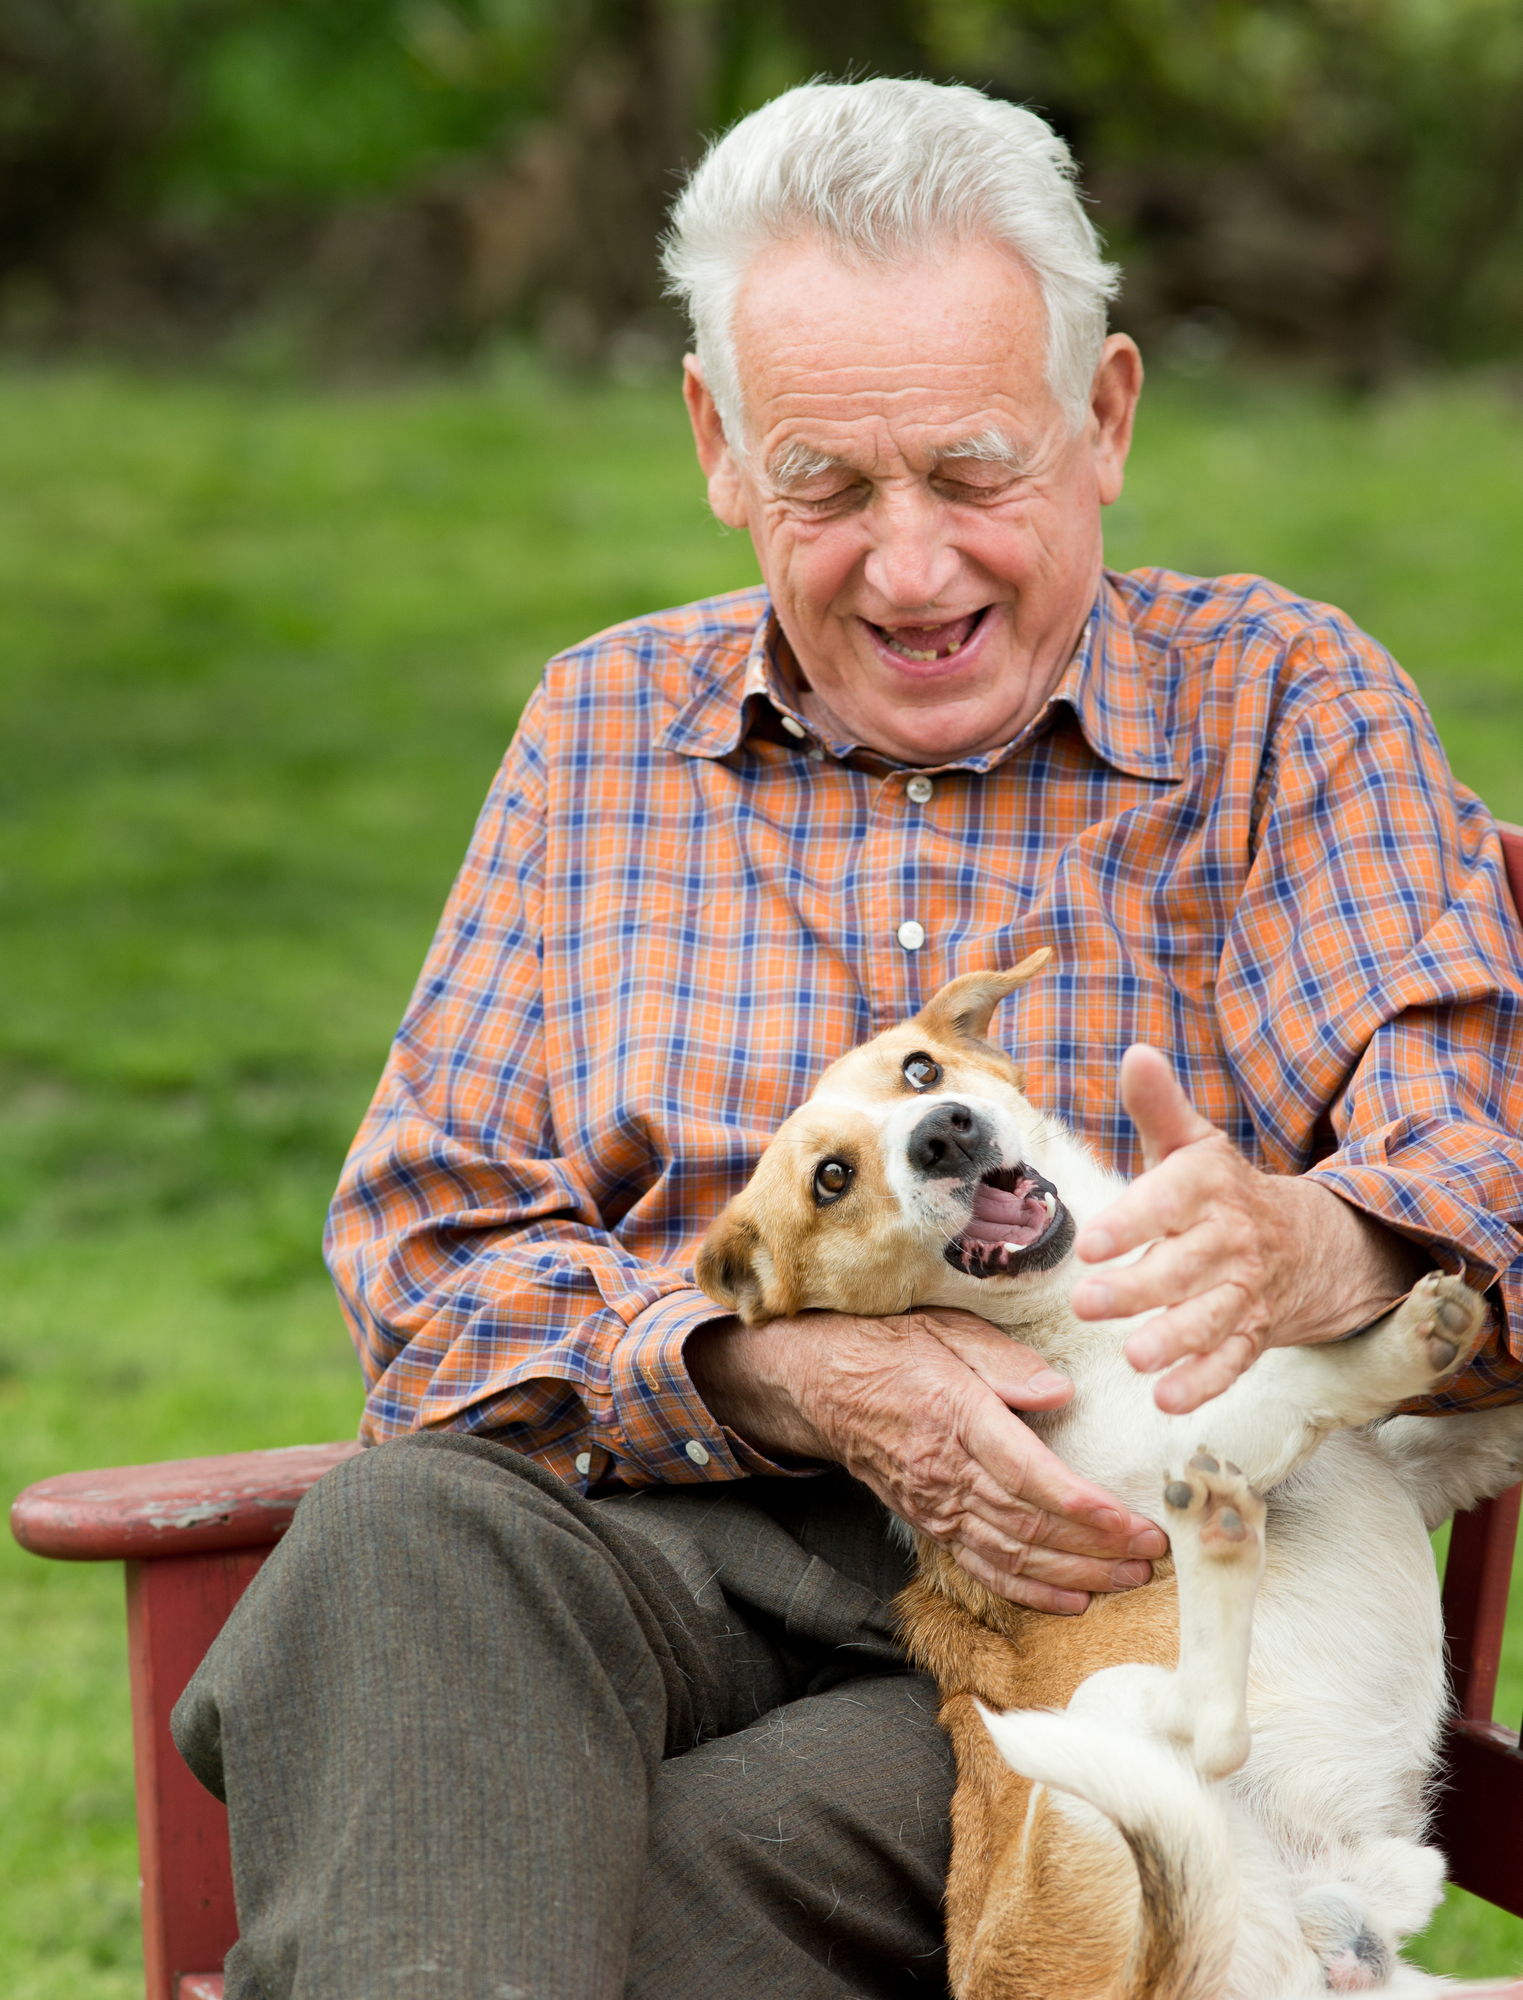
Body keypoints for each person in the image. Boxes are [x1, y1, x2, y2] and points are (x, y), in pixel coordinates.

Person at [173, 77, 1523, 2000]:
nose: (908, 571)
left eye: (974, 475)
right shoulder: (601, 734)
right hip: (672, 1530)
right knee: (399, 1553)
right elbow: (424, 1265)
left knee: (520, 1888)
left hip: (1090, 1604)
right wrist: (781, 1373)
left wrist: (1331, 1244)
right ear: (722, 446)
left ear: (1109, 418)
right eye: (830, 486)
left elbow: (1488, 1163)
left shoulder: (1283, 710)